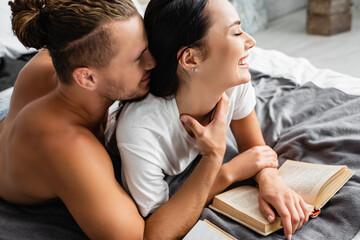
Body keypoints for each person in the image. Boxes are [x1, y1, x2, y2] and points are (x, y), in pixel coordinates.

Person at [0, 0, 230, 239]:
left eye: (147, 47)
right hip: (17, 171)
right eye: (137, 58)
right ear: (87, 78)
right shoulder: (70, 146)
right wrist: (214, 159)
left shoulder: (62, 52)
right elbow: (140, 237)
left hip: (12, 119)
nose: (153, 62)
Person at [116, 0, 310, 239]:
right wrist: (226, 170)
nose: (251, 41)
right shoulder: (140, 131)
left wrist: (270, 179)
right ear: (190, 59)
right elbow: (158, 229)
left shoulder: (232, 83)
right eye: (236, 32)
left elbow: (255, 149)